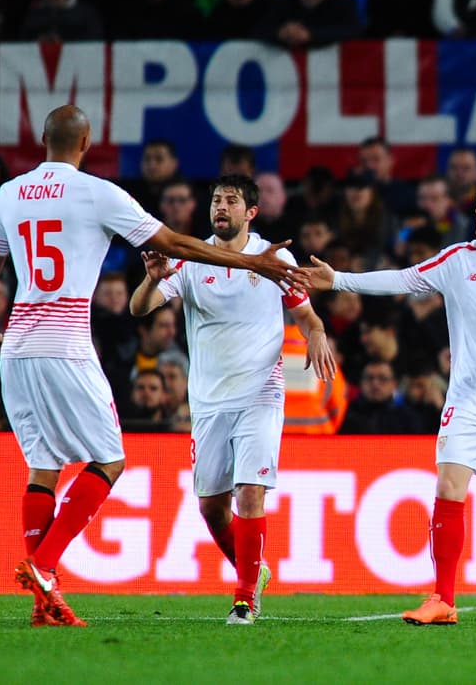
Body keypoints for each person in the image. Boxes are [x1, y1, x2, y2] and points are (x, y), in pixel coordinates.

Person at [0, 105, 305, 628]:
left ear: (43, 139)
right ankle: (44, 565)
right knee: (108, 461)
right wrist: (253, 262)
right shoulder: (97, 192)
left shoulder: (8, 193)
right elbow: (172, 243)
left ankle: (44, 603)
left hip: (15, 346)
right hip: (65, 344)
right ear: (85, 142)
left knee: (43, 467)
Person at [303, 171, 476, 628]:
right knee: (448, 488)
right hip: (467, 393)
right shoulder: (457, 259)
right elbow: (403, 278)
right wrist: (339, 281)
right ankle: (443, 598)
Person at [128, 173, 333, 625]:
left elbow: (307, 314)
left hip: (261, 391)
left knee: (249, 494)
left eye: (231, 200)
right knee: (211, 507)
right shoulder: (190, 260)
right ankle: (253, 570)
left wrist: (317, 335)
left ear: (251, 213)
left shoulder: (273, 257)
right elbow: (139, 309)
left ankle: (244, 599)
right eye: (216, 199)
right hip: (208, 400)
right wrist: (151, 281)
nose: (221, 207)